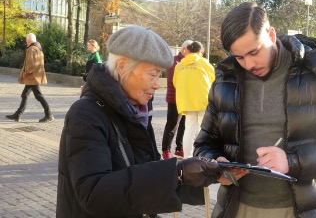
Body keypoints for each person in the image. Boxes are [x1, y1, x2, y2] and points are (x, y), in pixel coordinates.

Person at [194, 2, 316, 217]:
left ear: (271, 34)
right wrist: (215, 165)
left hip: (304, 210)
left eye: (254, 52)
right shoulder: (224, 82)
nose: (248, 64)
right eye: (239, 57)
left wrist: (292, 161)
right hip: (237, 209)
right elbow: (204, 143)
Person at [57, 25, 224, 217]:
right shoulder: (86, 114)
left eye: (159, 75)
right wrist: (177, 173)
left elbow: (142, 180)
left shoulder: (136, 111)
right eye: (153, 75)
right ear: (122, 66)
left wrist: (208, 176)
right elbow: (94, 193)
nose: (156, 84)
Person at [173, 40, 216, 159]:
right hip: (203, 100)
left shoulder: (179, 65)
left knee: (189, 130)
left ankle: (188, 157)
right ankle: (204, 156)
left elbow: (175, 82)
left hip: (186, 101)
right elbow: (214, 79)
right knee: (205, 130)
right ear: (200, 52)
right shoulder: (203, 62)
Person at [5, 33, 53, 122]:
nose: (26, 42)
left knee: (38, 96)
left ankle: (49, 114)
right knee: (25, 94)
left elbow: (31, 63)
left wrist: (27, 73)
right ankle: (18, 114)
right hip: (35, 76)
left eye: (26, 41)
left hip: (32, 77)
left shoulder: (31, 49)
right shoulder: (39, 48)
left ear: (28, 41)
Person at [162, 39, 193, 160]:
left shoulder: (189, 61)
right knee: (172, 125)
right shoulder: (174, 61)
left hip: (186, 99)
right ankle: (166, 150)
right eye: (190, 50)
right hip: (174, 99)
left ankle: (179, 149)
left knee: (183, 125)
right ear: (184, 49)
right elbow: (172, 81)